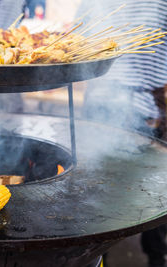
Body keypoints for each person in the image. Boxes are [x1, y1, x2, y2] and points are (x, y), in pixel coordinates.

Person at [76, 1, 167, 267]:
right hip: (104, 104)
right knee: (97, 190)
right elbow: (77, 42)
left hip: (143, 108)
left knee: (151, 191)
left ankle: (153, 257)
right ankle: (101, 257)